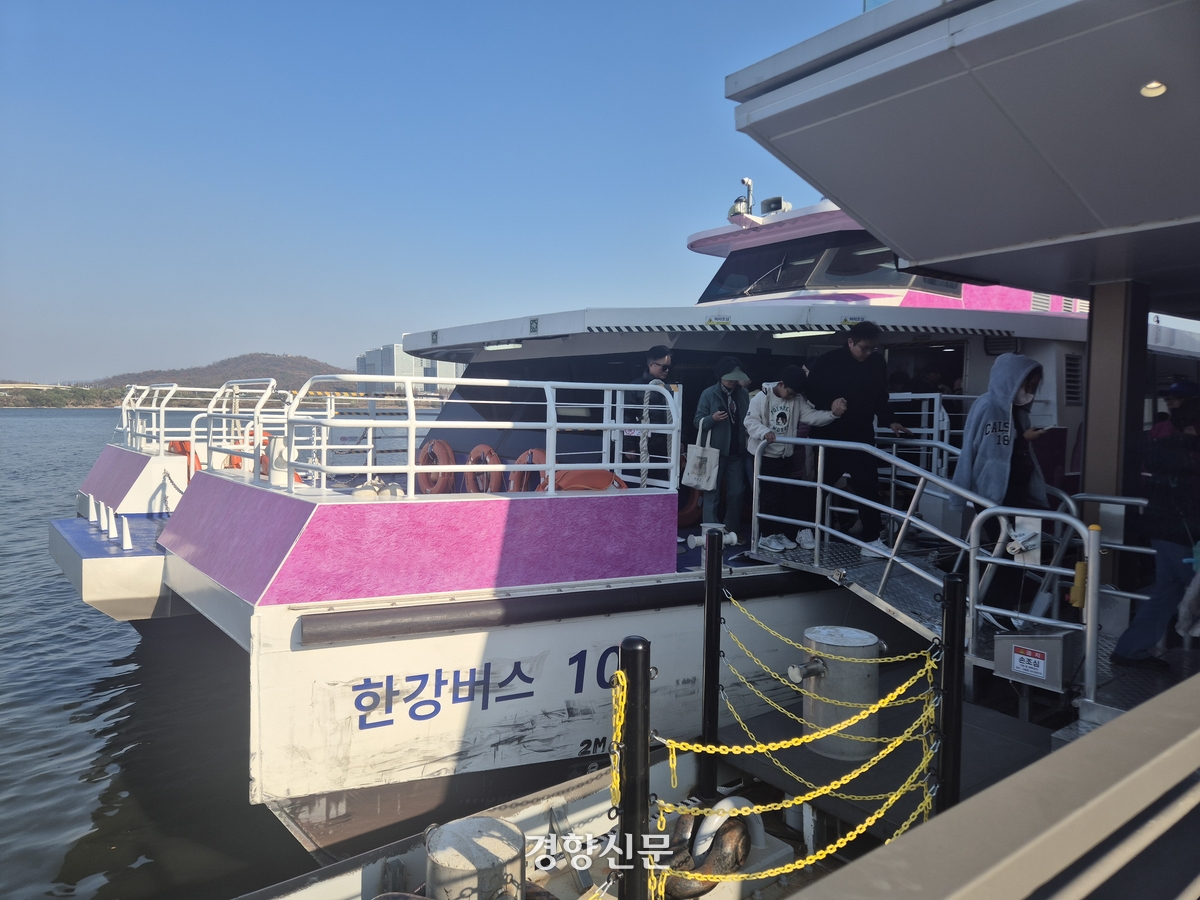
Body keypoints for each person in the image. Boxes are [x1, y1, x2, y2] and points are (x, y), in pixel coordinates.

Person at [805, 321, 912, 558]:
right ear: (850, 342)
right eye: (864, 348)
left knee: (868, 487)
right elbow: (811, 390)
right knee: (820, 486)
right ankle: (804, 529)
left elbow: (880, 397)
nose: (868, 353)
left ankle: (872, 539)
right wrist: (829, 404)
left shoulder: (876, 363)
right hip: (829, 435)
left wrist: (891, 420)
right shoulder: (828, 361)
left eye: (872, 348)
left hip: (861, 435)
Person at [1112, 397, 1200, 668]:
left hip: (1164, 532)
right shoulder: (1188, 452)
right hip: (1184, 536)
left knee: (1167, 590)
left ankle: (1130, 649)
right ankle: (1130, 649)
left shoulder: (1166, 449)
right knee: (1173, 589)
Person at [745, 365, 847, 552]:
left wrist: (832, 415)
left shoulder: (797, 399)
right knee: (769, 497)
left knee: (785, 496)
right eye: (790, 392)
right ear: (781, 384)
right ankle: (766, 536)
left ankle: (779, 533)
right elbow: (750, 421)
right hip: (766, 456)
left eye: (795, 394)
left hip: (786, 456)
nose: (792, 396)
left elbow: (811, 416)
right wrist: (764, 432)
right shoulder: (762, 397)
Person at [952, 353, 1049, 510]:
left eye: (1033, 387)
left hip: (1019, 488)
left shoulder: (1019, 411)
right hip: (991, 491)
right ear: (1012, 381)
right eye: (1027, 385)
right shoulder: (987, 406)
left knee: (1020, 526)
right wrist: (1023, 439)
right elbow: (979, 449)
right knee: (997, 526)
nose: (1030, 391)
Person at [694, 357, 751, 539]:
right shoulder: (708, 393)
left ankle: (731, 530)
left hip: (736, 452)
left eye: (735, 378)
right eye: (729, 378)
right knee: (712, 493)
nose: (733, 381)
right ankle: (711, 534)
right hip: (714, 452)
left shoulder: (743, 394)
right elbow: (697, 421)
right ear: (720, 376)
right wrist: (712, 419)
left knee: (737, 492)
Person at [623, 345, 674, 484]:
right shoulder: (635, 387)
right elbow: (628, 417)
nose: (667, 370)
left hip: (665, 446)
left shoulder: (672, 388)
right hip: (642, 446)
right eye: (664, 367)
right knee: (640, 482)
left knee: (664, 482)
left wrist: (681, 440)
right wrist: (629, 446)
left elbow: (678, 416)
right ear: (651, 365)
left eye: (669, 367)